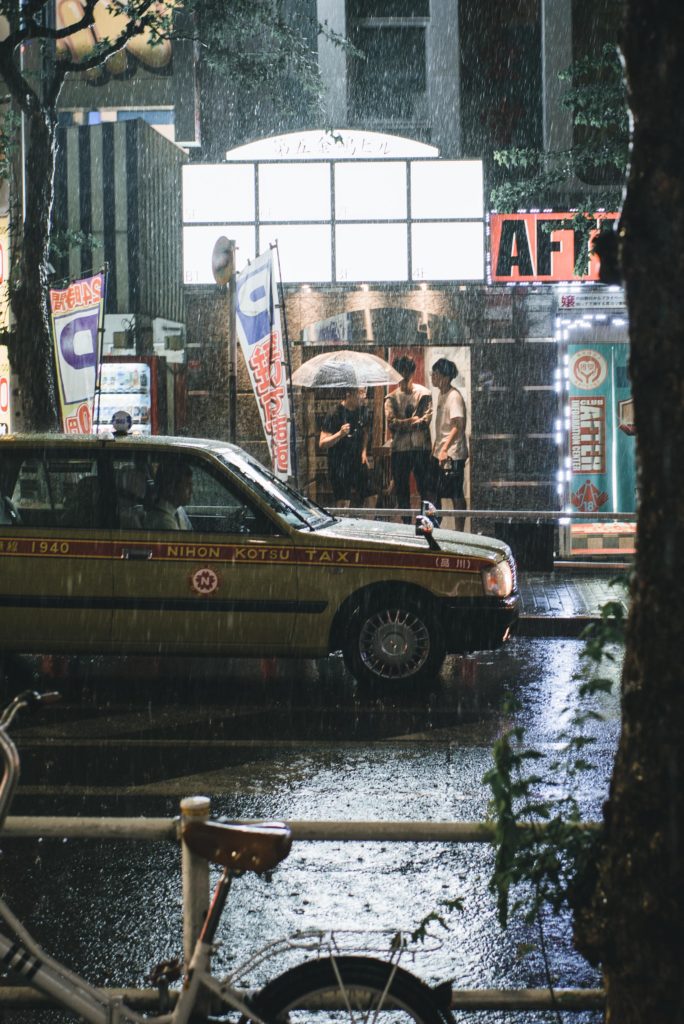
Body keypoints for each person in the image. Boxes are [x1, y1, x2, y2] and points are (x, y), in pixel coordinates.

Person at [384, 355, 432, 523]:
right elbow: (391, 423)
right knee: (402, 489)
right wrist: (411, 422)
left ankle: (426, 523)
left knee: (425, 489)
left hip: (420, 448)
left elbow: (425, 420)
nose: (404, 375)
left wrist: (403, 424)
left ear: (412, 372)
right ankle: (406, 523)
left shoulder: (424, 394)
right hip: (401, 449)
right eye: (401, 371)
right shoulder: (391, 398)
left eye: (406, 371)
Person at [319, 388, 377, 508]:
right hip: (339, 463)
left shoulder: (363, 411)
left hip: (357, 461)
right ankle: (345, 525)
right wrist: (339, 434)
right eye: (360, 393)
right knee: (343, 502)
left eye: (365, 393)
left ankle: (366, 525)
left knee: (371, 496)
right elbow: (322, 443)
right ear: (349, 394)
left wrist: (364, 451)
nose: (364, 396)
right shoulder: (334, 413)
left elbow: (365, 431)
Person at [430, 357, 468, 532]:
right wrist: (437, 448)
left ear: (445, 377)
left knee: (455, 493)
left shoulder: (454, 396)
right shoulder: (441, 394)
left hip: (452, 454)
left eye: (436, 374)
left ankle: (459, 530)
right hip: (441, 452)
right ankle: (435, 527)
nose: (433, 377)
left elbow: (457, 426)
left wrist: (445, 449)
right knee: (436, 492)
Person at [144, 459, 193, 530]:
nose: (191, 491)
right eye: (187, 485)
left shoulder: (179, 511)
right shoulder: (164, 522)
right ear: (171, 488)